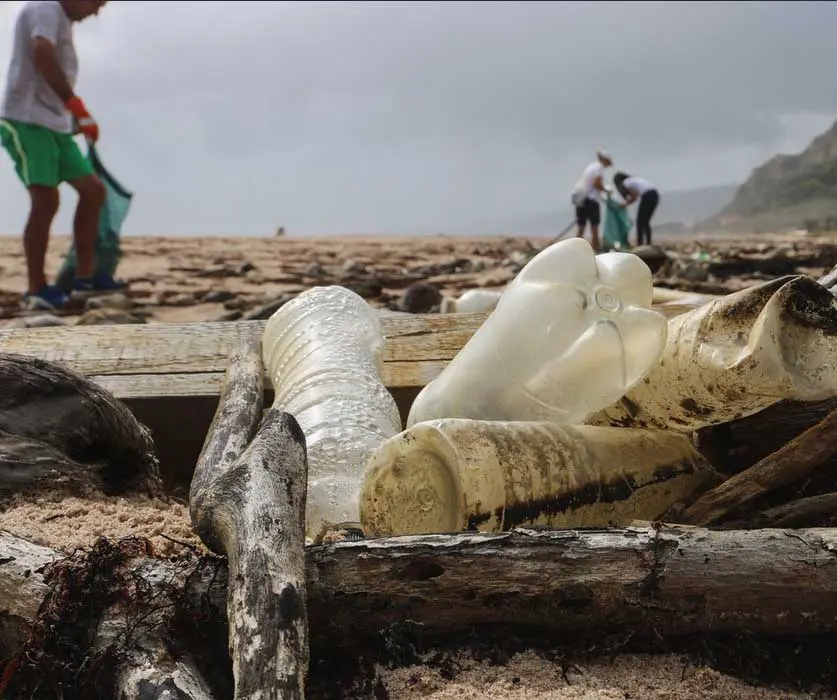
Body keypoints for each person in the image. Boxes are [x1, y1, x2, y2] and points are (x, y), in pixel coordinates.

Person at [0, 0, 123, 311]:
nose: (96, 11)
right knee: (45, 199)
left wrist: (71, 120)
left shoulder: (62, 20)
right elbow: (42, 53)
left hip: (55, 122)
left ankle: (85, 278)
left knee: (93, 191)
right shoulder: (45, 8)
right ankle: (37, 288)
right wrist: (76, 107)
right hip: (26, 118)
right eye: (96, 2)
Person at [570, 150, 613, 252]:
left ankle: (574, 250)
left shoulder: (591, 167)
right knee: (594, 228)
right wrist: (606, 190)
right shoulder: (599, 168)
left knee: (581, 228)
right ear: (605, 160)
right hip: (591, 201)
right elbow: (597, 184)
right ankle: (596, 250)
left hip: (582, 200)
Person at [613, 171, 660, 247]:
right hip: (655, 194)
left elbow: (634, 196)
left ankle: (640, 243)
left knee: (640, 221)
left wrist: (624, 204)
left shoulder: (625, 183)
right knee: (646, 221)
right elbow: (635, 196)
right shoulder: (634, 179)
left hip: (647, 195)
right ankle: (648, 242)